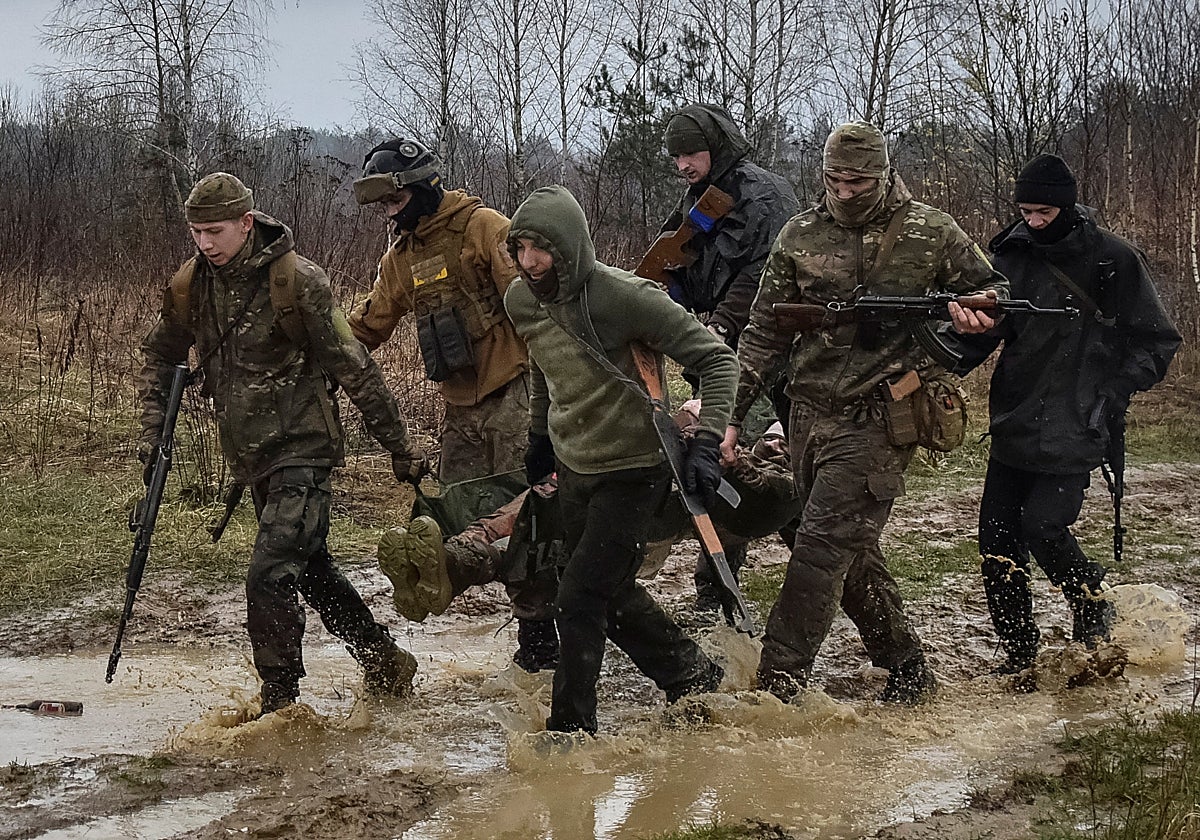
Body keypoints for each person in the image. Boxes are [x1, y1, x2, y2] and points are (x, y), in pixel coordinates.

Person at [723, 121, 1007, 705]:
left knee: (821, 549)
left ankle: (776, 689)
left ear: (884, 174)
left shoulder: (932, 231)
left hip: (880, 416)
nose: (846, 191)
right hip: (807, 414)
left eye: (860, 181)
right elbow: (763, 332)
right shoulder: (798, 234)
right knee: (847, 551)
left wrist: (978, 319)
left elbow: (992, 290)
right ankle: (906, 665)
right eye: (835, 179)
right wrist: (731, 414)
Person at [138, 172, 429, 715]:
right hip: (252, 458)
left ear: (246, 223)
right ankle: (384, 659)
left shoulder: (298, 283)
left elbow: (354, 367)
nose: (205, 244)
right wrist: (152, 436)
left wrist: (400, 447)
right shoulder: (191, 285)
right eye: (196, 232)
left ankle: (281, 703)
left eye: (216, 231)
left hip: (305, 449)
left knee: (270, 573)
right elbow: (162, 356)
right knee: (312, 569)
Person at [503, 184, 739, 735]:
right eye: (521, 248)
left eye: (543, 248)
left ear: (571, 249)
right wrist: (538, 437)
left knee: (579, 595)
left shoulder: (623, 297)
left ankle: (571, 733)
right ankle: (689, 673)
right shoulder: (521, 300)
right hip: (575, 465)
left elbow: (717, 360)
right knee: (606, 590)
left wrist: (706, 442)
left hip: (636, 469)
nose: (531, 261)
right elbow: (544, 364)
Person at [947, 153, 1180, 680]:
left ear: (1067, 206)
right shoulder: (1008, 255)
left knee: (1043, 528)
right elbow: (989, 336)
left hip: (1081, 418)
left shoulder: (1113, 259)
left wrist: (1114, 391)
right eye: (1025, 211)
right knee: (996, 542)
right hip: (1016, 414)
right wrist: (957, 337)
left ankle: (1093, 601)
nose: (1032, 222)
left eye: (1043, 213)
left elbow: (1159, 341)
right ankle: (1019, 653)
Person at [349, 138, 557, 670]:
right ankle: (452, 583)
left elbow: (536, 302)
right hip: (460, 408)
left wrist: (556, 390)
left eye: (393, 200)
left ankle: (541, 634)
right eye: (381, 205)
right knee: (464, 513)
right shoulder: (401, 258)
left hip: (516, 391)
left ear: (421, 185)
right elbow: (370, 324)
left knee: (526, 512)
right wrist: (318, 348)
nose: (387, 213)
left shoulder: (484, 226)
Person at [658, 103, 800, 610]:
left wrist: (720, 326)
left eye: (690, 154)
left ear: (714, 148)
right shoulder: (703, 199)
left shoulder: (763, 195)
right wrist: (665, 294)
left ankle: (808, 575)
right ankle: (718, 595)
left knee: (754, 465)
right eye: (675, 157)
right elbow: (675, 256)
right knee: (726, 464)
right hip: (719, 355)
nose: (682, 166)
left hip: (771, 357)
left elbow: (765, 275)